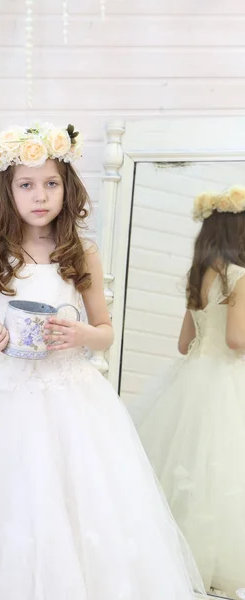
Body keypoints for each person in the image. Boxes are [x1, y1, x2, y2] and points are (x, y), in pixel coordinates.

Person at [0, 123, 205, 599]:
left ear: (67, 187)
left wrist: (80, 333)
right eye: (26, 184)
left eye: (51, 183)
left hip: (70, 397)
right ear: (8, 190)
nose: (40, 195)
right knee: (3, 508)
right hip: (0, 400)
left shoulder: (82, 255)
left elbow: (104, 334)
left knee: (75, 505)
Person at [128, 186, 245, 597]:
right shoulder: (241, 277)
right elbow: (236, 340)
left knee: (186, 467)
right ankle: (215, 568)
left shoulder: (200, 277)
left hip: (192, 376)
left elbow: (183, 345)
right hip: (227, 378)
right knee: (224, 471)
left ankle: (175, 557)